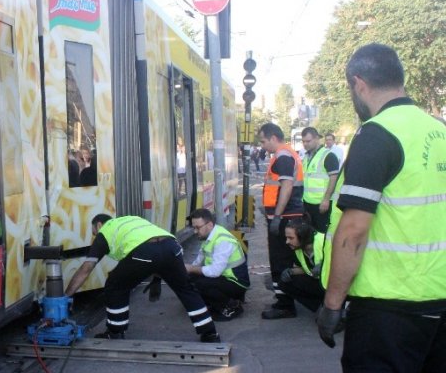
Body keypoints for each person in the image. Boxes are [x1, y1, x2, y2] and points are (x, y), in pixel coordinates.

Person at [317, 43, 446, 373]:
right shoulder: (439, 132)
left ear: (358, 84)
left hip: (390, 307)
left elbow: (353, 231)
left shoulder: (377, 134)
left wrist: (332, 304)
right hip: (443, 296)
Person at [64, 214, 220, 343]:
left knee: (115, 286)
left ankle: (115, 332)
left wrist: (66, 296)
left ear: (99, 225)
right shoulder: (131, 220)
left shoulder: (105, 231)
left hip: (144, 252)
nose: (95, 237)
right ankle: (210, 333)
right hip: (172, 247)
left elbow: (86, 269)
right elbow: (158, 249)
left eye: (94, 233)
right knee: (186, 289)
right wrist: (157, 277)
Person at [258, 122, 305, 320]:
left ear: (273, 138)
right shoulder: (284, 154)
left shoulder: (283, 156)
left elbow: (286, 187)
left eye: (263, 141)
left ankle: (285, 305)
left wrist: (277, 216)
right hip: (285, 215)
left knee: (280, 260)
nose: (262, 146)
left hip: (284, 217)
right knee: (282, 259)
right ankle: (283, 300)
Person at [185, 209, 250, 321]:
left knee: (200, 284)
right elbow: (199, 260)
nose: (195, 231)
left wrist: (191, 269)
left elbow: (214, 272)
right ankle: (216, 303)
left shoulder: (222, 240)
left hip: (236, 282)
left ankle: (232, 306)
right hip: (224, 278)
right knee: (190, 279)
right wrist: (187, 271)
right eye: (193, 227)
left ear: (210, 225)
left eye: (198, 227)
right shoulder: (209, 236)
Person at [278, 220, 325, 312]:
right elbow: (306, 269)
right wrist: (290, 271)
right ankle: (320, 307)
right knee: (284, 283)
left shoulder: (324, 242)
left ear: (302, 236)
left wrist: (324, 266)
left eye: (291, 238)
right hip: (320, 281)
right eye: (287, 238)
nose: (287, 241)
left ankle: (334, 308)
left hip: (335, 284)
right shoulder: (298, 248)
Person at [300, 127, 340, 232]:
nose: (305, 144)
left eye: (308, 141)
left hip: (321, 204)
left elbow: (334, 179)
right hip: (308, 204)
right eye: (303, 141)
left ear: (317, 138)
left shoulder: (328, 155)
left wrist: (326, 199)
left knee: (321, 234)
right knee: (309, 234)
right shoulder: (306, 157)